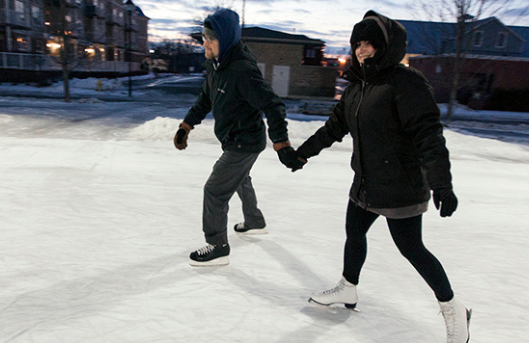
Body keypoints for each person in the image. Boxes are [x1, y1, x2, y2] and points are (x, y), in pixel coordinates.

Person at [281, 11, 470, 343]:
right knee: (354, 233)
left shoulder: (406, 83)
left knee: (412, 249)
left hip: (401, 187)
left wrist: (442, 183)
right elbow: (334, 128)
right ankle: (348, 289)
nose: (361, 49)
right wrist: (302, 154)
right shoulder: (357, 87)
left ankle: (455, 310)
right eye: (357, 43)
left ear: (384, 47)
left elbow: (429, 134)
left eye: (369, 43)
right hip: (366, 183)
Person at [174, 8, 304, 267]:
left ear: (224, 39)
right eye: (203, 37)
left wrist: (281, 144)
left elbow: (273, 105)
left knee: (214, 190)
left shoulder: (242, 70)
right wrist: (186, 126)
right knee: (240, 179)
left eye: (210, 38)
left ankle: (218, 245)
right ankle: (255, 221)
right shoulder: (214, 66)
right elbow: (205, 100)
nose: (205, 43)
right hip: (234, 138)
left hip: (245, 141)